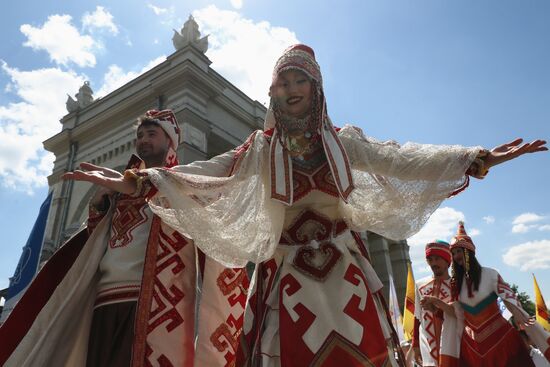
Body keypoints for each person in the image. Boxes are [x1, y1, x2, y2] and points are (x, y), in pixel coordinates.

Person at [60, 44, 547, 367]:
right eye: (282, 84)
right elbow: (206, 173)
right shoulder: (258, 150)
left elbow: (402, 159)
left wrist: (476, 157)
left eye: (300, 82)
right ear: (273, 92)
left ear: (316, 89)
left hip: (346, 275)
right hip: (287, 273)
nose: (291, 92)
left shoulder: (345, 143)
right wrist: (142, 181)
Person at [0, 110, 248, 367]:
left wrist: (135, 182)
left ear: (171, 141)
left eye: (152, 134)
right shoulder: (117, 189)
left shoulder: (181, 183)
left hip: (153, 300)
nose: (143, 140)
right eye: (140, 135)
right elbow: (97, 238)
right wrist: (98, 205)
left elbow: (177, 190)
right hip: (103, 298)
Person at [447, 221, 550, 366]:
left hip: (501, 338)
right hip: (472, 345)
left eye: (459, 251)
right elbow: (457, 312)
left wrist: (518, 314)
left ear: (468, 251)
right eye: (453, 253)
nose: (456, 255)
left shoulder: (491, 274)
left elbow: (507, 297)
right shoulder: (455, 284)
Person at [413, 240, 460, 367]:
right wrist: (415, 344)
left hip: (452, 340)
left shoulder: (458, 285)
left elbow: (461, 315)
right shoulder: (420, 286)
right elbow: (417, 316)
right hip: (427, 342)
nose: (433, 263)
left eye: (437, 259)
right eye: (430, 259)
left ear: (447, 261)